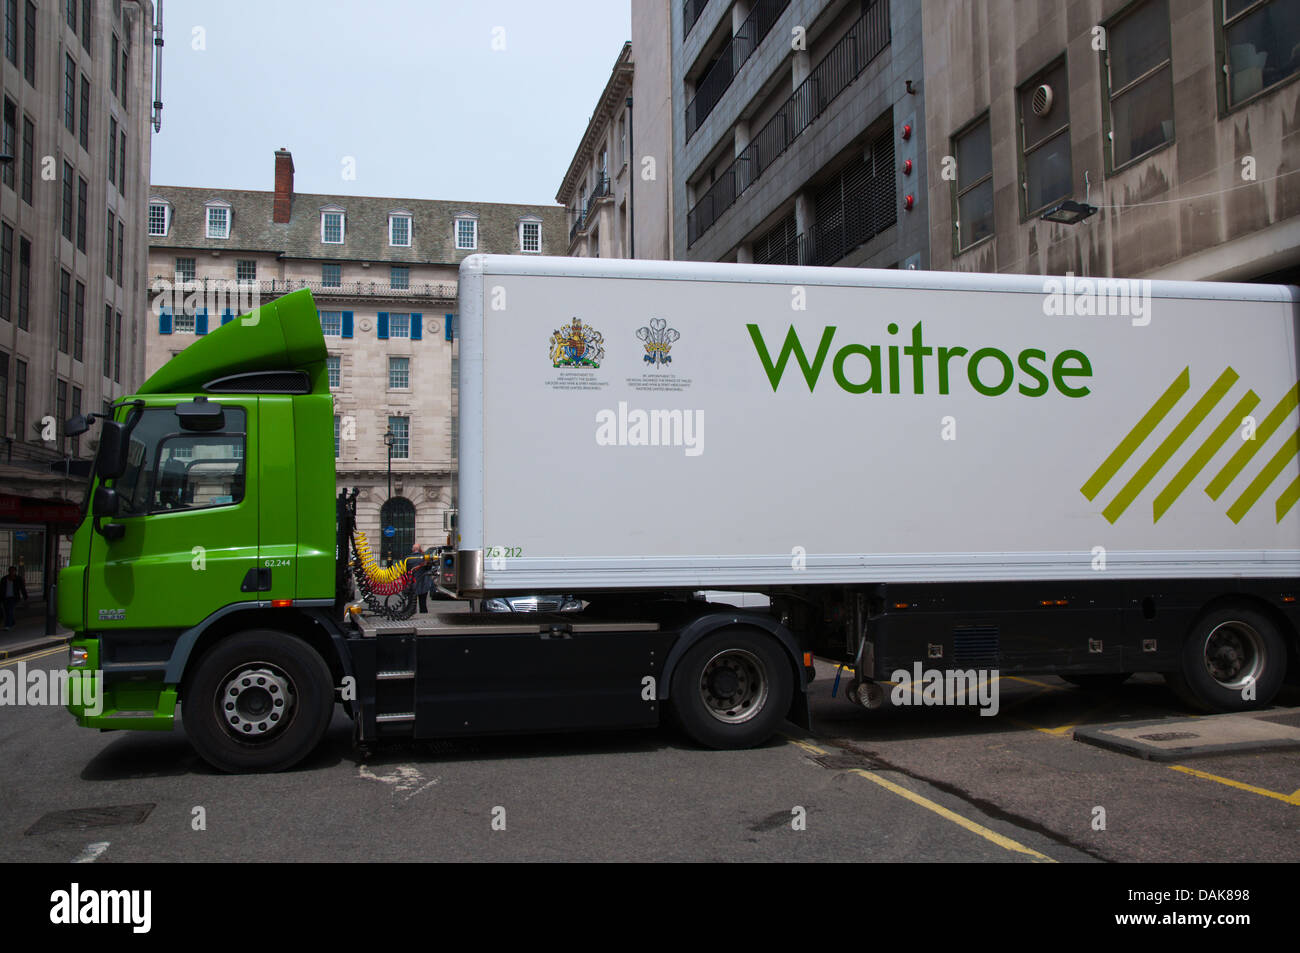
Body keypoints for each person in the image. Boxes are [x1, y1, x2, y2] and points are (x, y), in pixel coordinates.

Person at [406, 543, 433, 613]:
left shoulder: (408, 559)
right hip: (423, 584)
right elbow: (429, 568)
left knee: (411, 604)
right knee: (423, 604)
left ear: (413, 549)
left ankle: (412, 613)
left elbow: (404, 571)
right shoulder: (424, 558)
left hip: (412, 583)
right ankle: (423, 616)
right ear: (420, 549)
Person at [3, 566, 28, 630]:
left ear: (15, 572)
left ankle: (8, 625)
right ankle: (13, 622)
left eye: (13, 571)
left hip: (14, 598)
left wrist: (25, 597)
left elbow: (22, 588)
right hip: (5, 597)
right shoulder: (4, 579)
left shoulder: (18, 579)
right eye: (10, 571)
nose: (11, 572)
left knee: (10, 611)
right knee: (6, 611)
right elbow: (1, 589)